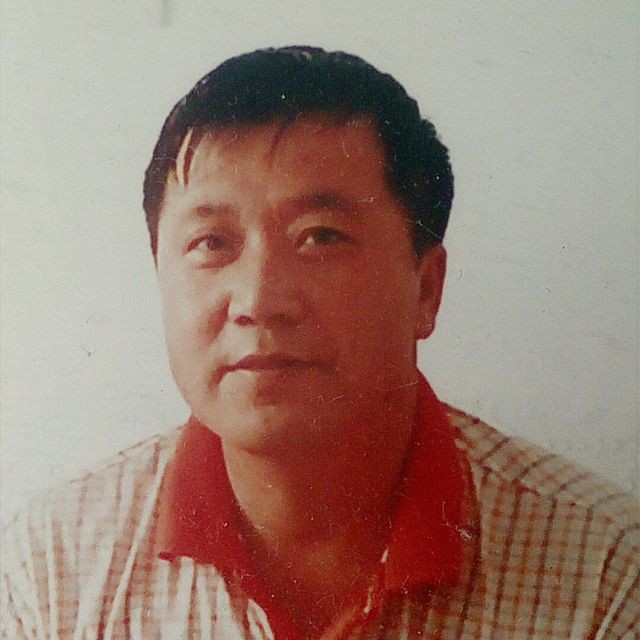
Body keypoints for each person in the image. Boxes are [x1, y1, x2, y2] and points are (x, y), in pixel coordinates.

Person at [1, 46, 638, 640]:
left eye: (321, 236)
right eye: (212, 243)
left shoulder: (604, 572)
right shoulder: (55, 568)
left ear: (425, 289)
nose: (258, 299)